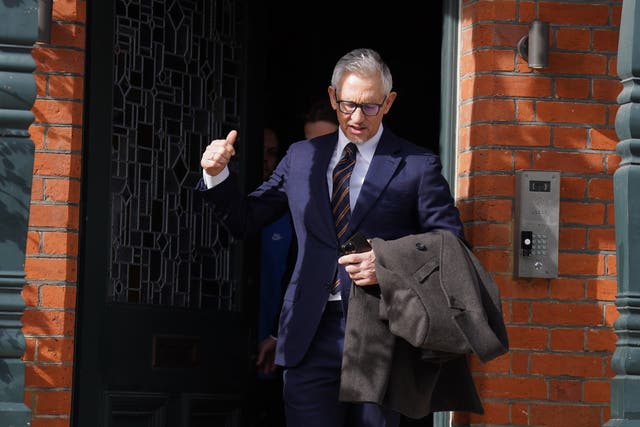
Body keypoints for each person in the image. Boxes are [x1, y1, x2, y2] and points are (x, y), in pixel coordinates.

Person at [197, 48, 465, 427]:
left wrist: (388, 263)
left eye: (370, 107)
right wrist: (216, 176)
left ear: (388, 103)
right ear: (331, 98)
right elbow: (245, 219)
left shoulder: (417, 164)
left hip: (382, 331)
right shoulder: (301, 156)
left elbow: (449, 244)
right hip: (308, 331)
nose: (356, 117)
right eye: (347, 104)